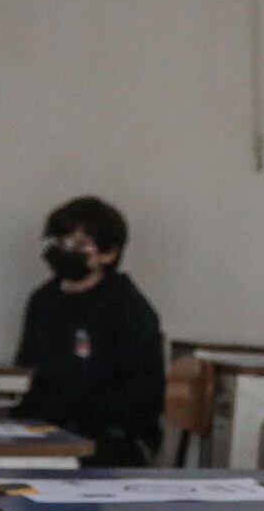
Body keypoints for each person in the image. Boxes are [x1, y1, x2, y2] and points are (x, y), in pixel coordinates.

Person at [13, 195, 165, 468]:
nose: (66, 249)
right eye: (61, 241)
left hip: (113, 435)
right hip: (48, 428)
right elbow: (27, 369)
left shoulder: (129, 309)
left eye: (80, 244)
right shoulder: (44, 299)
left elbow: (140, 396)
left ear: (108, 254)